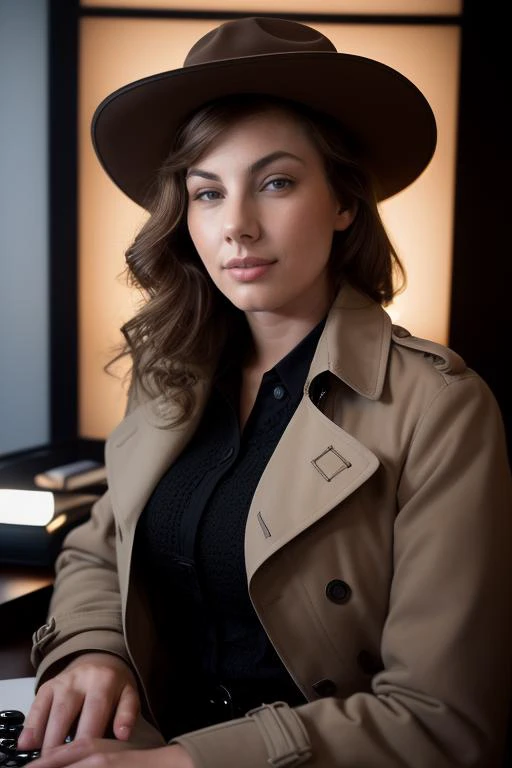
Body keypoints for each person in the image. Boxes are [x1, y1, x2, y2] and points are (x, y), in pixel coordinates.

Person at [17, 16, 512, 768]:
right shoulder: (168, 370)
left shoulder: (440, 407)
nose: (237, 227)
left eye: (276, 183)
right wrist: (92, 652)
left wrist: (182, 765)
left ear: (345, 201)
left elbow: (441, 722)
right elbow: (98, 547)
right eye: (207, 193)